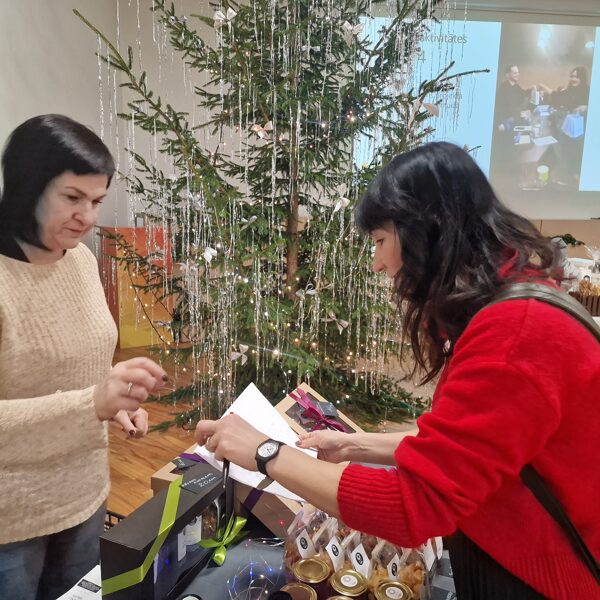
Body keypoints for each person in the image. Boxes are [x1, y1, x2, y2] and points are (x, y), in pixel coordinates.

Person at [194, 142, 600, 599]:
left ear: (426, 231)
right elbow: (472, 446)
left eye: (380, 241)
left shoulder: (516, 332)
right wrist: (357, 444)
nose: (378, 264)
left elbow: (414, 507)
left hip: (538, 578)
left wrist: (265, 452)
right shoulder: (514, 308)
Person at [0, 114, 168, 600]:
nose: (88, 217)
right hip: (11, 519)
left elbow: (71, 366)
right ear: (27, 187)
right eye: (72, 198)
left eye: (96, 201)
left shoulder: (80, 259)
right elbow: (79, 397)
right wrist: (92, 401)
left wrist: (116, 399)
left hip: (86, 492)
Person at [495, 64, 531, 131]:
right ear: (507, 75)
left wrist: (531, 89)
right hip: (506, 122)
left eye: (518, 72)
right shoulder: (503, 88)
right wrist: (500, 123)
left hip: (514, 118)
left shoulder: (516, 86)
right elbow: (499, 107)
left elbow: (523, 93)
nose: (518, 74)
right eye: (515, 73)